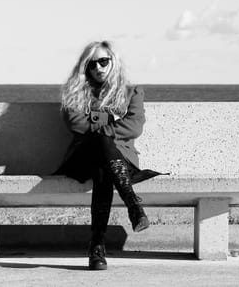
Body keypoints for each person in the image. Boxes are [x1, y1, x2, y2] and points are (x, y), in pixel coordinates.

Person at [54, 40, 162, 270]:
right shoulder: (76, 91)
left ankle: (97, 246)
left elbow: (134, 127)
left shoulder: (131, 92)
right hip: (81, 160)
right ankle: (133, 205)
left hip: (120, 162)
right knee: (101, 145)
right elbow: (75, 124)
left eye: (103, 61)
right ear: (85, 67)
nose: (98, 68)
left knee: (103, 165)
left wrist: (95, 123)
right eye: (92, 64)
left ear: (114, 61)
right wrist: (111, 121)